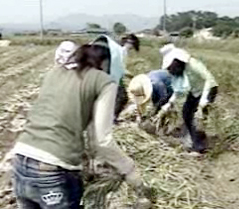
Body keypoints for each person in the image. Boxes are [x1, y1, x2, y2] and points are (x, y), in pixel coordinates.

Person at [12, 42, 148, 208]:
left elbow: (88, 131)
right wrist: (130, 170)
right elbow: (102, 140)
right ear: (107, 63)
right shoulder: (104, 81)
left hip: (20, 159)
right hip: (52, 170)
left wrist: (93, 161)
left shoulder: (55, 72)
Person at [160, 44, 218, 153]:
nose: (171, 70)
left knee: (196, 118)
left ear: (177, 62)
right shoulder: (182, 72)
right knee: (186, 113)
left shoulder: (193, 64)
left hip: (208, 89)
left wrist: (204, 100)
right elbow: (178, 90)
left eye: (171, 67)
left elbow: (208, 79)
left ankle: (199, 148)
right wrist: (169, 104)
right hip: (195, 92)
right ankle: (193, 139)